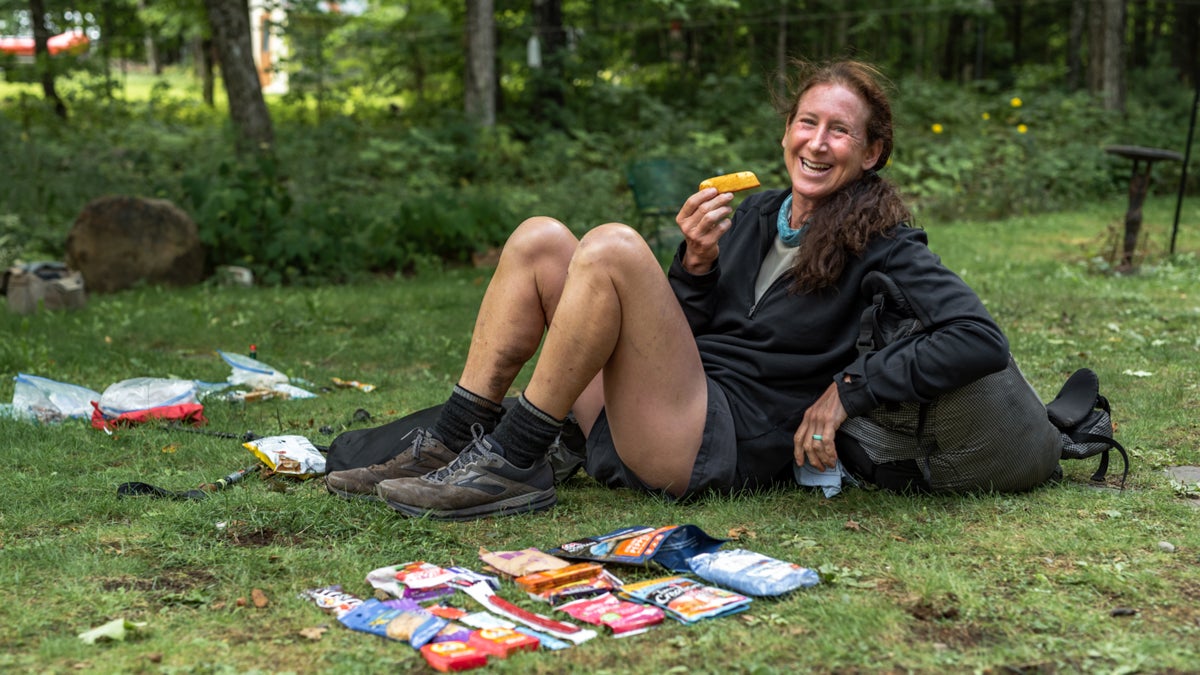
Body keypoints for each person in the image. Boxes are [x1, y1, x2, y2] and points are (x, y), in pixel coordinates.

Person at [324, 59, 1063, 520]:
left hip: (717, 438)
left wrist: (848, 389)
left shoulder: (885, 241)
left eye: (840, 132)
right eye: (807, 122)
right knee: (542, 239)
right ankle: (454, 440)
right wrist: (697, 266)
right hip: (663, 405)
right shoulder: (752, 212)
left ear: (872, 153)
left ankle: (514, 461)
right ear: (786, 131)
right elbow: (686, 326)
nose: (816, 141)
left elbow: (977, 337)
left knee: (611, 246)